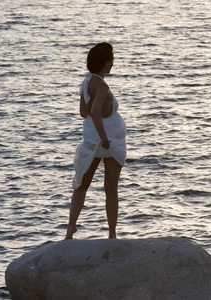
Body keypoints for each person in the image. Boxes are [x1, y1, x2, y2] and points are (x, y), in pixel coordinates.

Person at [65, 42, 127, 240]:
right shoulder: (102, 85)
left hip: (93, 140)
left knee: (82, 185)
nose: (112, 64)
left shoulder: (87, 82)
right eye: (111, 61)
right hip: (107, 142)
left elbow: (83, 113)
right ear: (106, 64)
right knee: (110, 187)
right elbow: (93, 113)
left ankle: (70, 230)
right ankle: (112, 233)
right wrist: (105, 139)